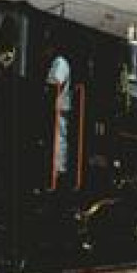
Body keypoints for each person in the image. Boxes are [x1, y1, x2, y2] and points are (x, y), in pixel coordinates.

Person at [47, 51, 73, 182]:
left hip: (60, 104)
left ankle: (59, 168)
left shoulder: (60, 61)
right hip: (60, 104)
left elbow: (56, 81)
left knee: (59, 137)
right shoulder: (59, 61)